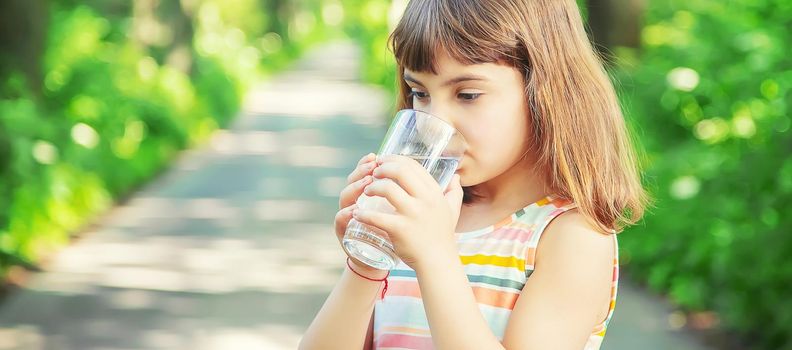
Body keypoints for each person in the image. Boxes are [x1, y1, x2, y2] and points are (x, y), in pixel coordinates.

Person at [300, 0, 648, 349]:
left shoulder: (571, 237)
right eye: (419, 93)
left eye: (467, 95)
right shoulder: (420, 216)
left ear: (543, 90)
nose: (436, 122)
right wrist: (367, 262)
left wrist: (435, 255)